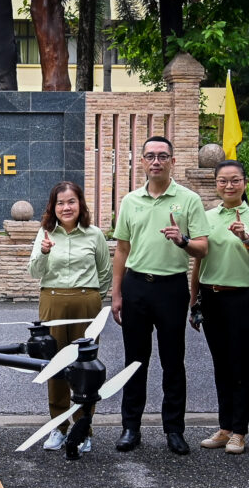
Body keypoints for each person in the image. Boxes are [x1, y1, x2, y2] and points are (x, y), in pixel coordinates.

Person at [111, 136, 209, 455]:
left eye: (162, 156)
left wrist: (182, 240)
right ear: (141, 161)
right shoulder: (130, 201)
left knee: (172, 362)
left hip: (171, 288)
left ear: (172, 162)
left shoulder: (189, 199)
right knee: (135, 361)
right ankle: (130, 428)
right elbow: (122, 249)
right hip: (136, 285)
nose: (156, 161)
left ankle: (175, 430)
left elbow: (202, 248)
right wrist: (116, 294)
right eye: (150, 156)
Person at [28, 181, 111, 452]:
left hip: (86, 302)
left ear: (80, 204)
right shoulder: (45, 233)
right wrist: (44, 251)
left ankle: (83, 429)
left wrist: (91, 296)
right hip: (52, 301)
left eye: (71, 201)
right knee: (56, 365)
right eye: (60, 202)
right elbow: (34, 272)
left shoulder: (94, 234)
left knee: (85, 367)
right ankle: (58, 428)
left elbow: (105, 273)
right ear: (53, 207)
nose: (66, 207)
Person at [189, 160, 249, 455]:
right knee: (221, 365)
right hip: (211, 297)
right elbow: (198, 260)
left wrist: (245, 238)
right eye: (223, 180)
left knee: (241, 366)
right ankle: (225, 427)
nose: (229, 185)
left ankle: (240, 430)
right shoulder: (207, 216)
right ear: (216, 184)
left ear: (245, 183)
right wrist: (193, 300)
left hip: (242, 298)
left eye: (235, 180)